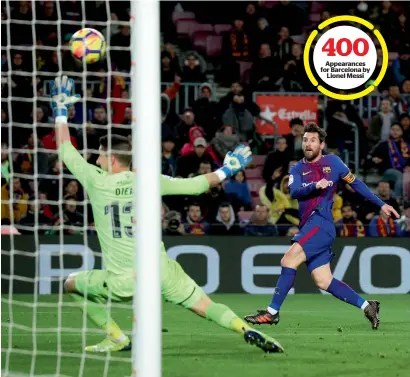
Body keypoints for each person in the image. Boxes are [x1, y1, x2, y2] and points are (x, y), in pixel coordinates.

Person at [50, 76, 284, 354]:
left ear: (111, 159)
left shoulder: (96, 180)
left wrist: (61, 111)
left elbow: (65, 151)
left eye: (100, 156)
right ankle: (243, 328)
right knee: (205, 305)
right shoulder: (149, 179)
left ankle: (115, 336)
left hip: (124, 279)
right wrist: (227, 170)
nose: (97, 160)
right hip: (161, 272)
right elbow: (195, 185)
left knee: (71, 284)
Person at [244, 122, 399, 330]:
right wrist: (315, 185)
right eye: (305, 139)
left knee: (288, 259)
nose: (308, 143)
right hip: (309, 226)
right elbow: (296, 191)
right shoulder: (296, 168)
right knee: (323, 280)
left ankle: (271, 313)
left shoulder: (334, 163)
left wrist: (382, 204)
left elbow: (356, 184)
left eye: (313, 140)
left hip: (322, 223)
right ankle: (367, 306)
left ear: (321, 144)